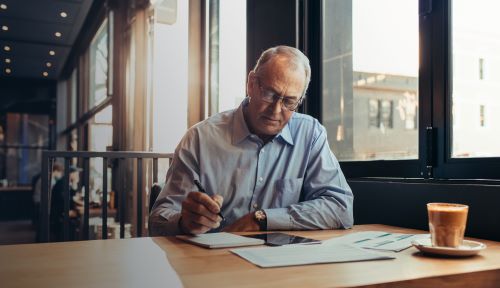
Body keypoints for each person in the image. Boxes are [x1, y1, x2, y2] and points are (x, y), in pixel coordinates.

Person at [150, 45, 353, 236]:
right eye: (270, 94)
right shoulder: (199, 139)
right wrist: (184, 222)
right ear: (251, 84)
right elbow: (158, 220)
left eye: (289, 101)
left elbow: (340, 208)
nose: (275, 110)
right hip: (212, 264)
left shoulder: (310, 135)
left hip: (280, 263)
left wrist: (262, 219)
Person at [50, 165, 82, 241]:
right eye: (76, 174)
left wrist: (74, 186)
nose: (78, 176)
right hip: (58, 213)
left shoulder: (65, 181)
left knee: (78, 217)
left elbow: (69, 197)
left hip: (60, 210)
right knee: (78, 219)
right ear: (71, 174)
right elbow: (64, 200)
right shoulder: (62, 183)